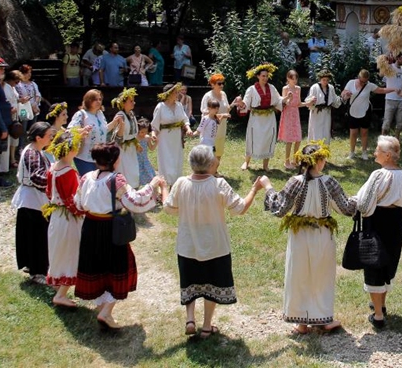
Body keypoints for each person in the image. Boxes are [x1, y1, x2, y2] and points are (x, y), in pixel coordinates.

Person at [164, 145, 261, 338]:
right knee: (212, 285)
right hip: (215, 245)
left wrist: (163, 188)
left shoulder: (182, 183)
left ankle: (190, 318)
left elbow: (169, 208)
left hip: (187, 245)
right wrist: (254, 189)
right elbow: (240, 209)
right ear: (210, 163)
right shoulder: (218, 184)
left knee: (189, 282)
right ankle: (207, 326)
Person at [262, 142, 357, 334]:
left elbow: (279, 210)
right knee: (322, 275)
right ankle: (322, 318)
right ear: (320, 161)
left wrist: (268, 187)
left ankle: (302, 323)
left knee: (299, 275)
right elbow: (347, 208)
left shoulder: (294, 182)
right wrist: (361, 197)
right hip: (322, 235)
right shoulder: (330, 182)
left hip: (300, 236)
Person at [73, 143, 167, 330]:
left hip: (90, 228)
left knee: (97, 266)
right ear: (114, 161)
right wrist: (154, 184)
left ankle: (102, 306)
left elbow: (78, 203)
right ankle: (106, 311)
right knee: (120, 266)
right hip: (109, 229)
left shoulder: (85, 178)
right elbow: (136, 201)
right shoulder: (116, 181)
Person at [352, 136, 402, 328]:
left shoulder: (379, 175)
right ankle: (382, 304)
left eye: (377, 150)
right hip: (396, 222)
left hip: (377, 221)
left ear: (387, 155)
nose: (374, 152)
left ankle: (378, 315)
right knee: (388, 260)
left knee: (374, 262)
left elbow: (363, 203)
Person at [43, 127, 85, 306]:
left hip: (56, 217)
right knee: (70, 252)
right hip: (68, 219)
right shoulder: (69, 172)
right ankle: (61, 294)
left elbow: (48, 192)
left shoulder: (53, 168)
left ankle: (58, 285)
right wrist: (83, 212)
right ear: (72, 149)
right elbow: (73, 199)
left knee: (58, 251)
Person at [12, 122, 54, 284]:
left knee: (34, 235)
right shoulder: (32, 154)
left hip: (35, 199)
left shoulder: (36, 151)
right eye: (49, 135)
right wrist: (56, 180)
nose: (51, 138)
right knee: (37, 237)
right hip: (32, 200)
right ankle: (37, 272)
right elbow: (37, 178)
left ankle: (34, 266)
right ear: (38, 137)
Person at [239, 64, 286, 171]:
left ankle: (265, 165)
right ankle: (246, 162)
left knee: (268, 138)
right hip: (256, 118)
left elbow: (278, 100)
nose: (265, 78)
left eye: (266, 76)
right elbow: (246, 103)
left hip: (269, 117)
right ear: (258, 76)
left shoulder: (272, 88)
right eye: (263, 76)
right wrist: (241, 103)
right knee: (252, 138)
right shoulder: (251, 89)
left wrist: (286, 98)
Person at [341, 69, 395, 160]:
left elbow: (381, 90)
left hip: (365, 111)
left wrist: (393, 89)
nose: (363, 83)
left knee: (364, 132)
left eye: (365, 81)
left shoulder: (369, 85)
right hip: (353, 111)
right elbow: (343, 92)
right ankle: (352, 152)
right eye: (361, 81)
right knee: (353, 133)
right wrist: (346, 93)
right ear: (358, 77)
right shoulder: (351, 82)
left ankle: (364, 152)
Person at [151, 83, 193, 185]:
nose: (178, 94)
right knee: (166, 161)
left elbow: (184, 119)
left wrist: (188, 128)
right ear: (169, 94)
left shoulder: (179, 105)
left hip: (176, 137)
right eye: (175, 93)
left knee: (176, 160)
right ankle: (164, 185)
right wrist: (153, 134)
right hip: (165, 138)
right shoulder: (160, 107)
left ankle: (175, 184)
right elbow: (155, 124)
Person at [67, 89, 113, 176]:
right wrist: (82, 131)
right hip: (84, 157)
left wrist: (115, 122)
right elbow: (70, 131)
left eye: (100, 99)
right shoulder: (81, 114)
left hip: (100, 157)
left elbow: (104, 130)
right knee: (89, 182)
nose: (98, 102)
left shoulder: (100, 114)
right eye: (95, 99)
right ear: (89, 100)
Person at [200, 74, 239, 167]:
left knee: (219, 148)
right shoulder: (208, 96)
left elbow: (227, 109)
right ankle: (206, 171)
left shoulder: (223, 94)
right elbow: (205, 113)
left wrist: (234, 103)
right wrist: (222, 115)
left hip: (221, 126)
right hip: (210, 126)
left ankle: (215, 170)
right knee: (209, 148)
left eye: (223, 83)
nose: (222, 85)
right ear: (212, 84)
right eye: (219, 83)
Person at [109, 88, 141, 187]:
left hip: (131, 148)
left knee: (133, 171)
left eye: (133, 100)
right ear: (123, 103)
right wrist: (121, 127)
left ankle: (133, 191)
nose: (133, 103)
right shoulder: (120, 116)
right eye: (131, 101)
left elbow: (134, 133)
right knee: (124, 171)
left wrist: (136, 144)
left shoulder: (131, 114)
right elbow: (116, 137)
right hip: (122, 149)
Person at [305, 70, 341, 145]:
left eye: (327, 80)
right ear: (320, 79)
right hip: (316, 113)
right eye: (324, 80)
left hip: (326, 113)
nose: (325, 82)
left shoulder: (330, 88)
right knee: (316, 131)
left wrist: (343, 98)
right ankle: (314, 150)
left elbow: (335, 100)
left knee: (325, 132)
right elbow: (308, 100)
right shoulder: (314, 87)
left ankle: (324, 151)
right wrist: (311, 101)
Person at [278, 70, 303, 169]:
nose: (295, 80)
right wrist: (288, 98)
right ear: (288, 79)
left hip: (295, 113)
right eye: (292, 78)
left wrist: (308, 103)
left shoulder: (298, 88)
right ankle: (287, 161)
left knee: (298, 138)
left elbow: (299, 103)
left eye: (296, 78)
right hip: (288, 114)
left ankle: (295, 160)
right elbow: (284, 103)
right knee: (289, 139)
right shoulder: (285, 88)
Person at [381, 55, 402, 137]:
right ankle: (382, 140)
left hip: (401, 100)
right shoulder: (389, 67)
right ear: (397, 58)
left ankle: (396, 140)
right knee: (387, 121)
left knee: (400, 122)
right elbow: (382, 78)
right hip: (390, 98)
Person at [136, 118, 156, 185]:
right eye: (142, 132)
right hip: (137, 160)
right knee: (137, 177)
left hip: (145, 160)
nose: (143, 134)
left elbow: (151, 148)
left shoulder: (147, 138)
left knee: (150, 176)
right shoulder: (135, 138)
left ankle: (153, 193)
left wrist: (156, 143)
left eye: (145, 132)